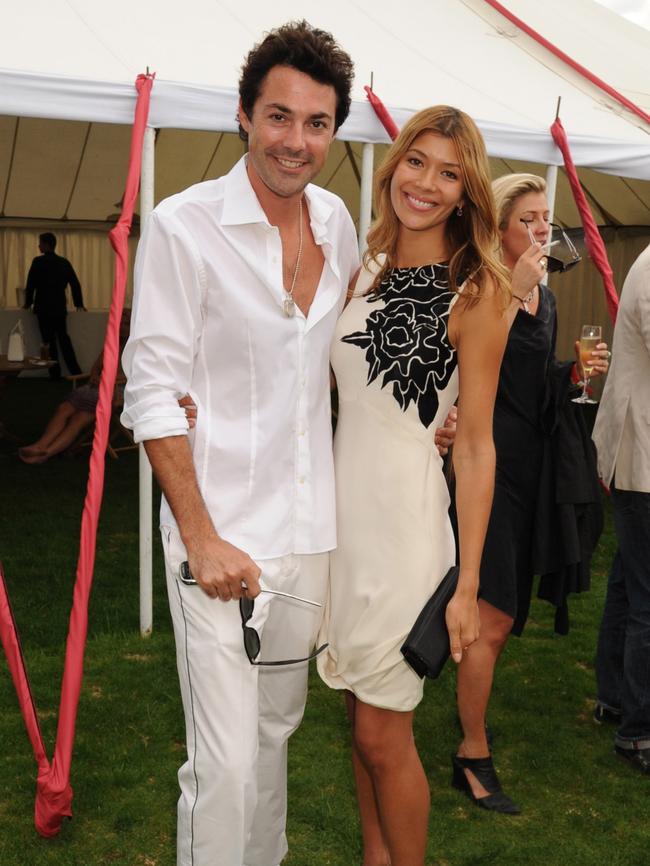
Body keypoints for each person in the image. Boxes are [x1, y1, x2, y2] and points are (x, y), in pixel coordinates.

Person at [120, 22, 358, 866]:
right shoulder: (186, 227)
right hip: (215, 540)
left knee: (272, 742)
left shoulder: (337, 224)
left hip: (306, 538)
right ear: (244, 117)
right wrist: (200, 534)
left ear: (335, 131)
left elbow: (343, 364)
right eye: (279, 117)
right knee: (222, 763)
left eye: (317, 123)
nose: (297, 142)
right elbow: (149, 387)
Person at [317, 106, 511, 866]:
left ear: (467, 192)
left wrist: (466, 585)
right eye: (417, 162)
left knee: (381, 731)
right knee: (360, 725)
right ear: (394, 165)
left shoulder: (478, 292)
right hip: (340, 524)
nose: (426, 183)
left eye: (449, 173)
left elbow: (478, 447)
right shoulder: (363, 267)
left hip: (404, 528)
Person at [448, 173, 609, 814]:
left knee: (501, 614)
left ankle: (461, 716)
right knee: (492, 616)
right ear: (498, 229)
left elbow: (531, 380)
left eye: (547, 218)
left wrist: (570, 371)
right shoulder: (484, 289)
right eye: (529, 219)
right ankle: (472, 751)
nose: (543, 229)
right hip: (487, 471)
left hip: (530, 469)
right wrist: (511, 297)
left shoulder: (544, 291)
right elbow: (461, 368)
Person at [592, 242, 650, 774]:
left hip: (640, 455)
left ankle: (615, 696)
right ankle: (640, 731)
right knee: (646, 598)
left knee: (630, 584)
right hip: (643, 456)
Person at [18, 308, 135, 464]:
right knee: (64, 408)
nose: (122, 327)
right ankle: (41, 445)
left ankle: (46, 453)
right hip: (98, 388)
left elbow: (134, 375)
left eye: (126, 324)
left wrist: (107, 380)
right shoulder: (112, 342)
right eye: (120, 323)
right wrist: (94, 375)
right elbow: (96, 366)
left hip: (117, 392)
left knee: (79, 419)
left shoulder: (137, 347)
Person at [23, 232, 85, 379]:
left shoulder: (37, 262)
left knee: (48, 341)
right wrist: (79, 304)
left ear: (46, 244)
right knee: (64, 339)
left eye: (40, 243)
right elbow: (75, 284)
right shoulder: (64, 262)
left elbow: (30, 284)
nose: (39, 245)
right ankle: (76, 371)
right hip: (58, 307)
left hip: (43, 307)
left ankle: (54, 374)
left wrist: (28, 302)